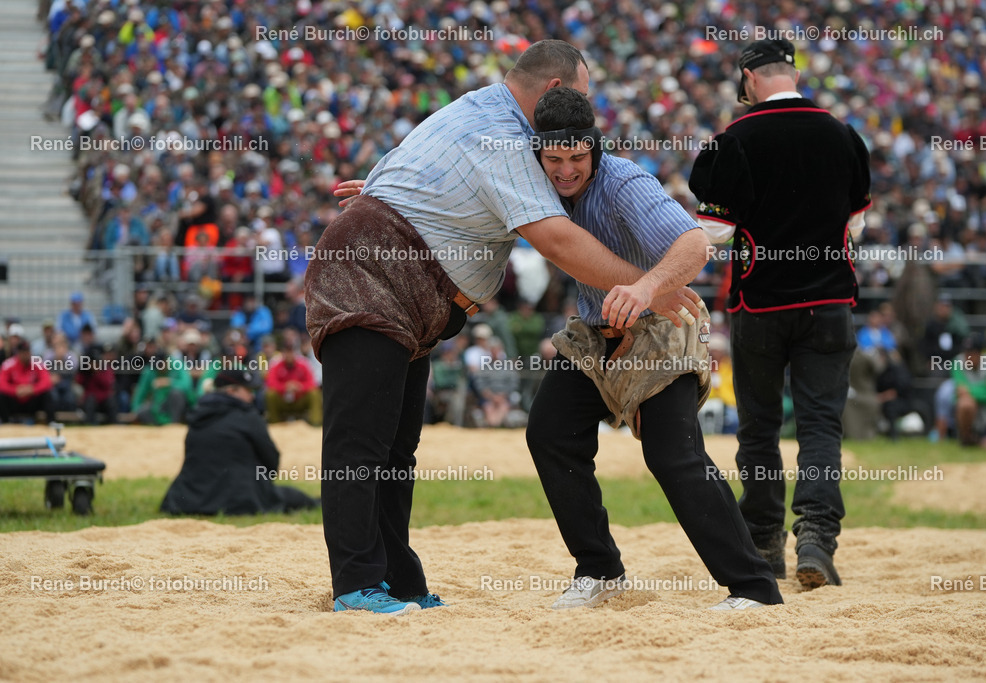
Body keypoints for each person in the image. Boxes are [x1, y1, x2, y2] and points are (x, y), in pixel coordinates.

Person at [306, 40, 699, 616]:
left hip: (402, 282)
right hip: (373, 273)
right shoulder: (508, 138)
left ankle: (396, 578)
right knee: (360, 443)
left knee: (396, 447)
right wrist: (649, 288)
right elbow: (556, 240)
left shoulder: (477, 108)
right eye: (581, 99)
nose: (584, 117)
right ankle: (357, 585)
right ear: (555, 91)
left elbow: (410, 163)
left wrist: (393, 192)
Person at [523, 87, 782, 610]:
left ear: (594, 147)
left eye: (578, 157)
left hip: (661, 325)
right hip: (597, 332)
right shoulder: (528, 179)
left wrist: (645, 289)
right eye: (555, 159)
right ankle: (599, 570)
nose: (567, 170)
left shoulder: (625, 183)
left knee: (673, 457)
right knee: (550, 433)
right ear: (537, 153)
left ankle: (754, 588)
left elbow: (694, 244)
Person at [690, 38, 872, 590]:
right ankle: (816, 538)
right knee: (821, 425)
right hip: (829, 303)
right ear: (792, 72)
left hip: (759, 304)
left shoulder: (733, 141)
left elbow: (714, 234)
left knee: (760, 428)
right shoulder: (843, 135)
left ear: (748, 79)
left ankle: (764, 543)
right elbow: (856, 226)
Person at [160, 369, 318, 515]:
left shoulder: (197, 416)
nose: (252, 396)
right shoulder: (248, 416)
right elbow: (271, 459)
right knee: (296, 497)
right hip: (240, 499)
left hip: (189, 498)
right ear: (231, 391)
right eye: (248, 390)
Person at [0, 341, 54, 424]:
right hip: (15, 400)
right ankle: (5, 423)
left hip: (31, 400)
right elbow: (2, 384)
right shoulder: (9, 364)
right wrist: (15, 390)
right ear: (18, 353)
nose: (26, 355)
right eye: (23, 352)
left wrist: (32, 389)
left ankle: (51, 423)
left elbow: (47, 382)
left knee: (48, 394)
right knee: (2, 396)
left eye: (27, 352)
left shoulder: (37, 363)